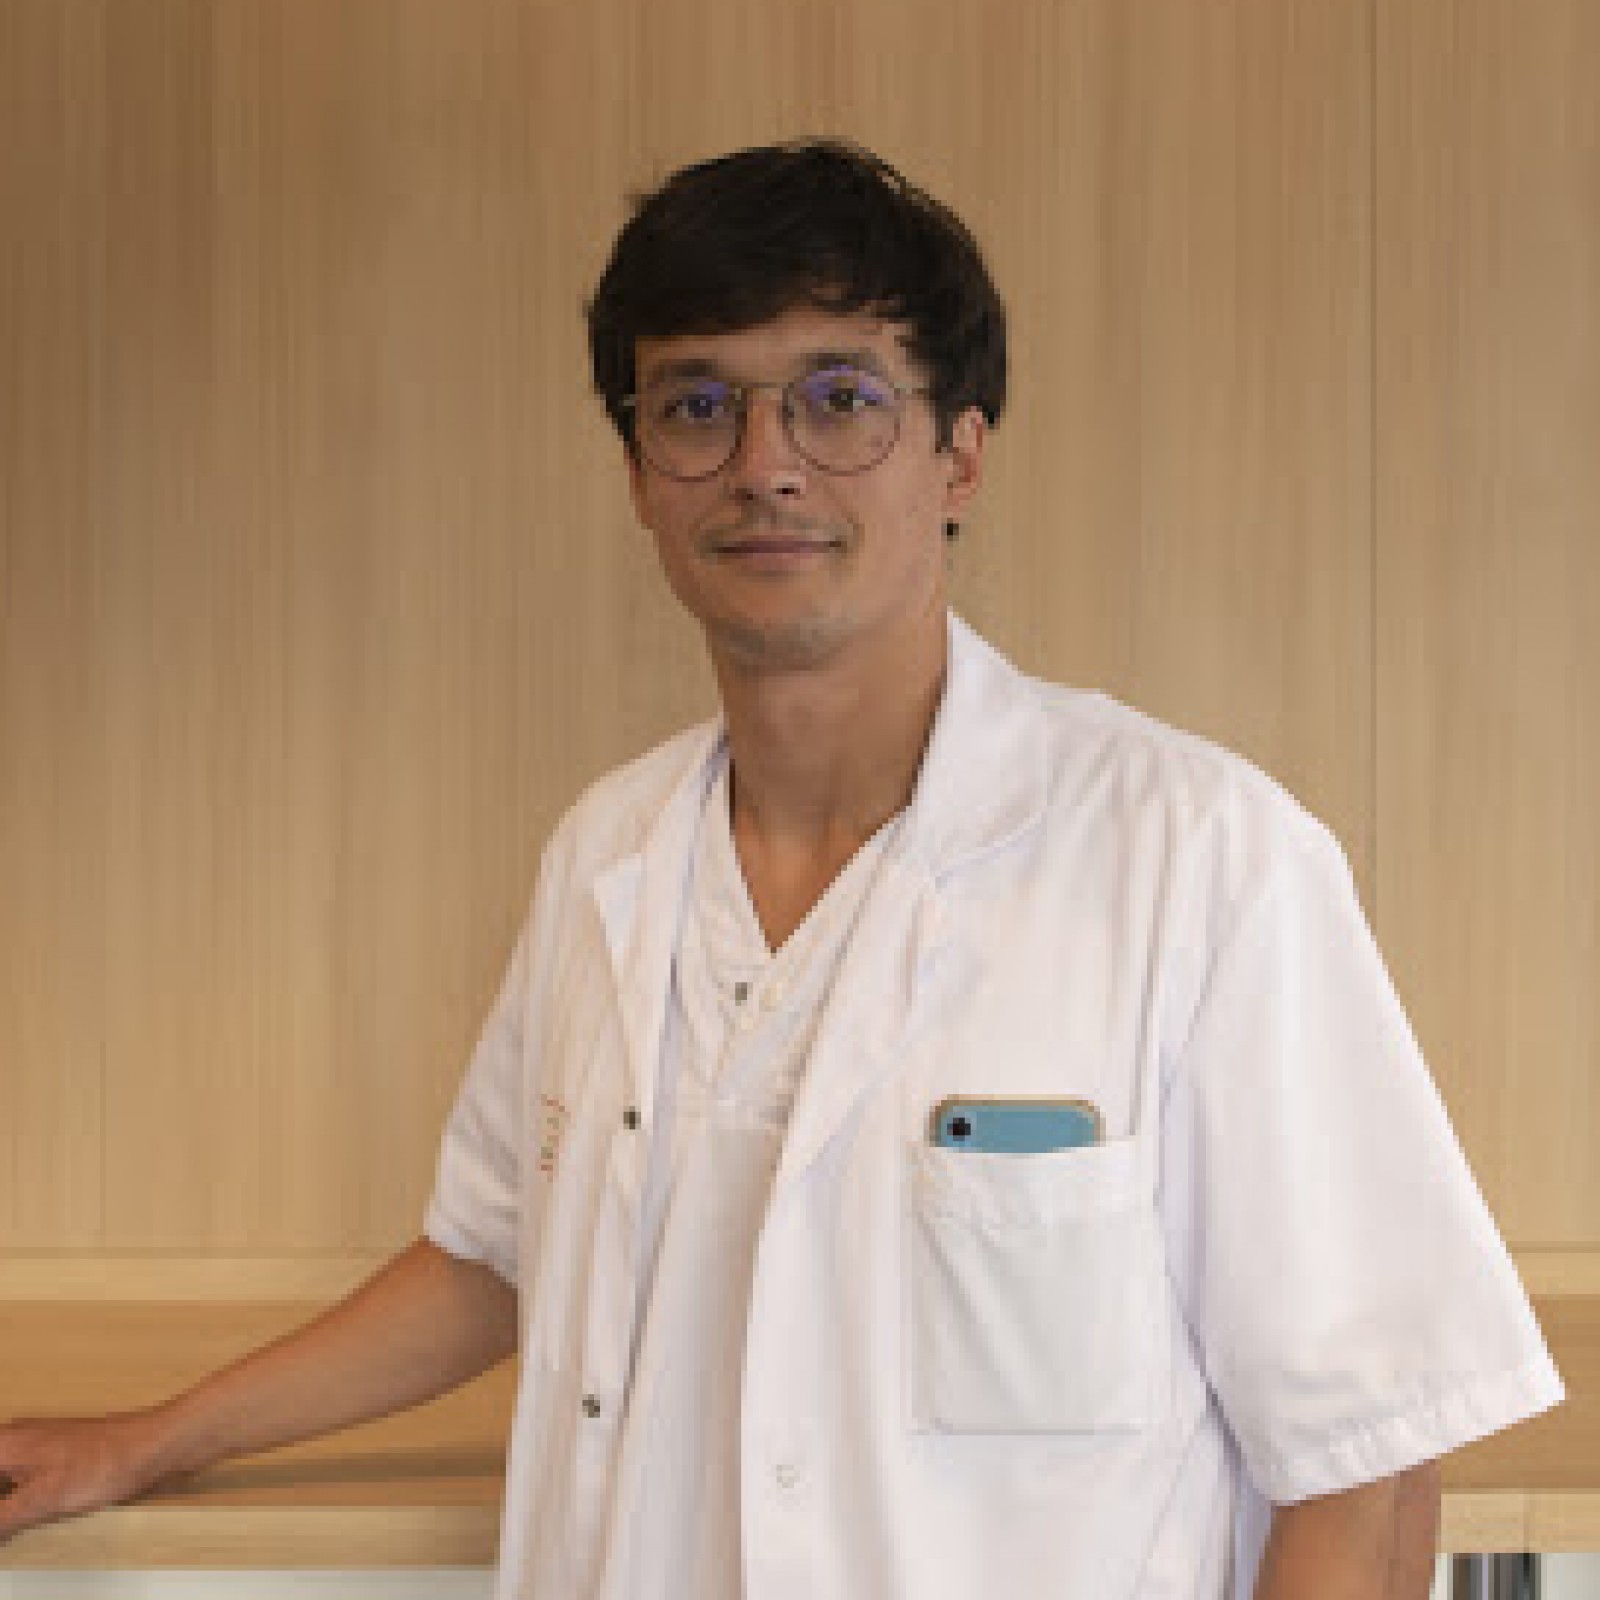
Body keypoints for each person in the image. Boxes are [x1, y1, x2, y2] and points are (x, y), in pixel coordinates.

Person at [0, 137, 1564, 1599]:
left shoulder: (1199, 859)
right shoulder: (608, 852)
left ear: (957, 456)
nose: (765, 464)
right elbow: (495, 1259)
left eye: (839, 399)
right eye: (697, 406)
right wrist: (147, 1441)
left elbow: (1369, 1466)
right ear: (639, 475)